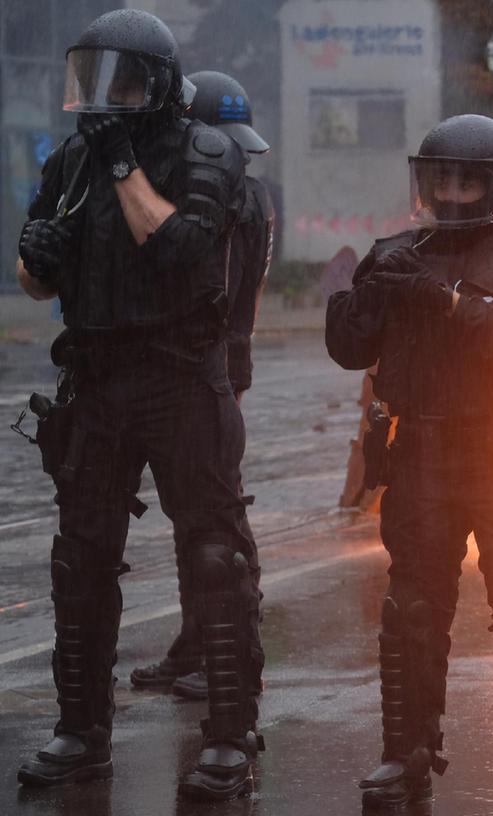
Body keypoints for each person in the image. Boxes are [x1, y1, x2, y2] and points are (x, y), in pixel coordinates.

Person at [13, 9, 260, 799]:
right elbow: (37, 278)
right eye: (92, 77)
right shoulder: (75, 161)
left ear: (154, 82)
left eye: (120, 78)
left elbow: (184, 250)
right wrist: (36, 263)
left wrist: (124, 168)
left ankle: (227, 738)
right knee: (79, 561)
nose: (102, 95)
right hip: (98, 380)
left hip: (181, 378)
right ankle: (80, 730)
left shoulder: (206, 153)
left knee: (213, 556)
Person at [325, 114, 493, 813]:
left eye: (466, 177)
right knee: (412, 608)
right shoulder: (396, 252)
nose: (450, 190)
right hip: (423, 457)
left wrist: (439, 298)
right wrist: (366, 292)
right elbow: (351, 348)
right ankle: (404, 752)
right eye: (440, 176)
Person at [129, 69, 274, 702]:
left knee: (214, 528)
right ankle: (196, 649)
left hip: (203, 370)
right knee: (204, 521)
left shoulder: (227, 199)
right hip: (222, 366)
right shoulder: (256, 195)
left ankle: (218, 658)